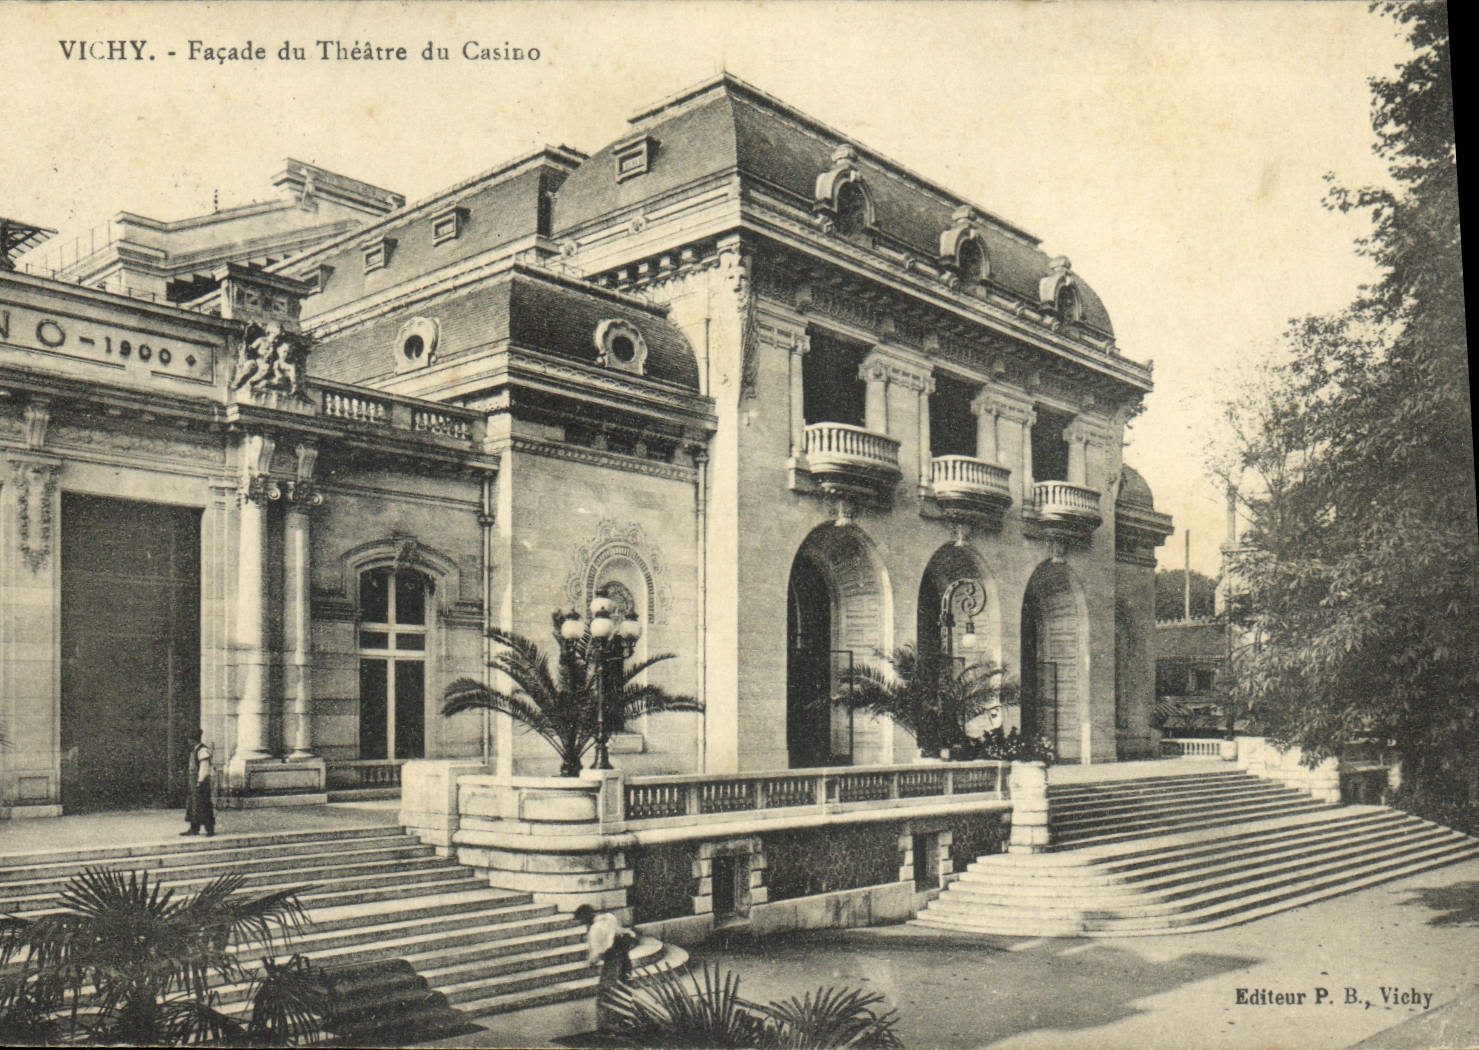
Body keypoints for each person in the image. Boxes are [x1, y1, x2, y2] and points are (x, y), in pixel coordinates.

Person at [574, 904, 637, 1031]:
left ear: (586, 918)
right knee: (624, 987)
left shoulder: (595, 929)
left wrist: (591, 961)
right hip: (624, 958)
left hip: (612, 960)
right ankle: (625, 1019)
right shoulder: (609, 917)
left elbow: (599, 951)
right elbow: (623, 932)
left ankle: (609, 1024)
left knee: (607, 991)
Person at [182, 730, 215, 836]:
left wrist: (200, 782)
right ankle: (194, 828)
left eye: (189, 740)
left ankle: (209, 829)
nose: (188, 742)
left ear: (193, 740)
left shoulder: (202, 750)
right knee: (193, 805)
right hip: (194, 782)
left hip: (201, 783)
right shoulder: (195, 750)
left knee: (204, 805)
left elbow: (204, 768)